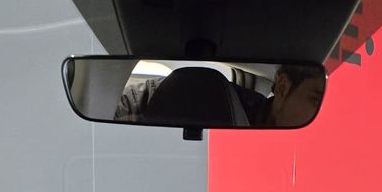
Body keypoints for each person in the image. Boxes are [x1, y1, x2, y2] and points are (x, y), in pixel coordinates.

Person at [114, 64, 325, 128]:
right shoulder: (220, 98)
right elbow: (127, 104)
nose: (321, 114)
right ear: (283, 87)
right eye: (315, 100)